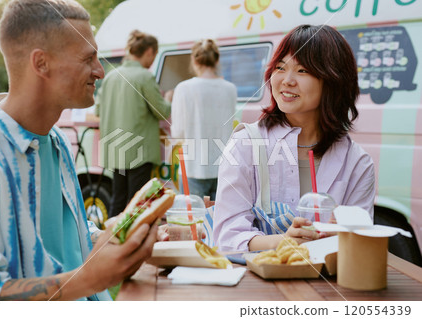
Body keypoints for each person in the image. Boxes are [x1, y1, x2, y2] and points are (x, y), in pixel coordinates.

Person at [0, 0, 158, 301]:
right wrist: (90, 279)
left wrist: (122, 238)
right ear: (41, 63)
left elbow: (71, 237)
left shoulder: (56, 140)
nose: (100, 71)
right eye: (89, 58)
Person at [213, 24, 375, 252]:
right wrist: (285, 242)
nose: (287, 80)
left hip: (330, 284)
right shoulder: (247, 144)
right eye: (280, 67)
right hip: (256, 284)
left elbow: (361, 245)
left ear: (333, 81)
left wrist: (345, 235)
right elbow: (227, 237)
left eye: (303, 71)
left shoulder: (357, 162)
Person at [96, 30, 172, 219]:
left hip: (116, 149)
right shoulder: (144, 77)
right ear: (148, 52)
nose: (152, 60)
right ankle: (132, 245)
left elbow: (98, 110)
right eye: (154, 55)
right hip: (139, 151)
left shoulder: (111, 77)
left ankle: (111, 241)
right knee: (137, 204)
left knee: (118, 200)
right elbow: (162, 111)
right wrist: (169, 98)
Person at [170, 39, 237, 200]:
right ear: (217, 60)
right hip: (223, 168)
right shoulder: (230, 89)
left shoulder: (183, 88)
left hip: (193, 167)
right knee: (219, 221)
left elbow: (178, 133)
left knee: (193, 221)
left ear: (194, 60)